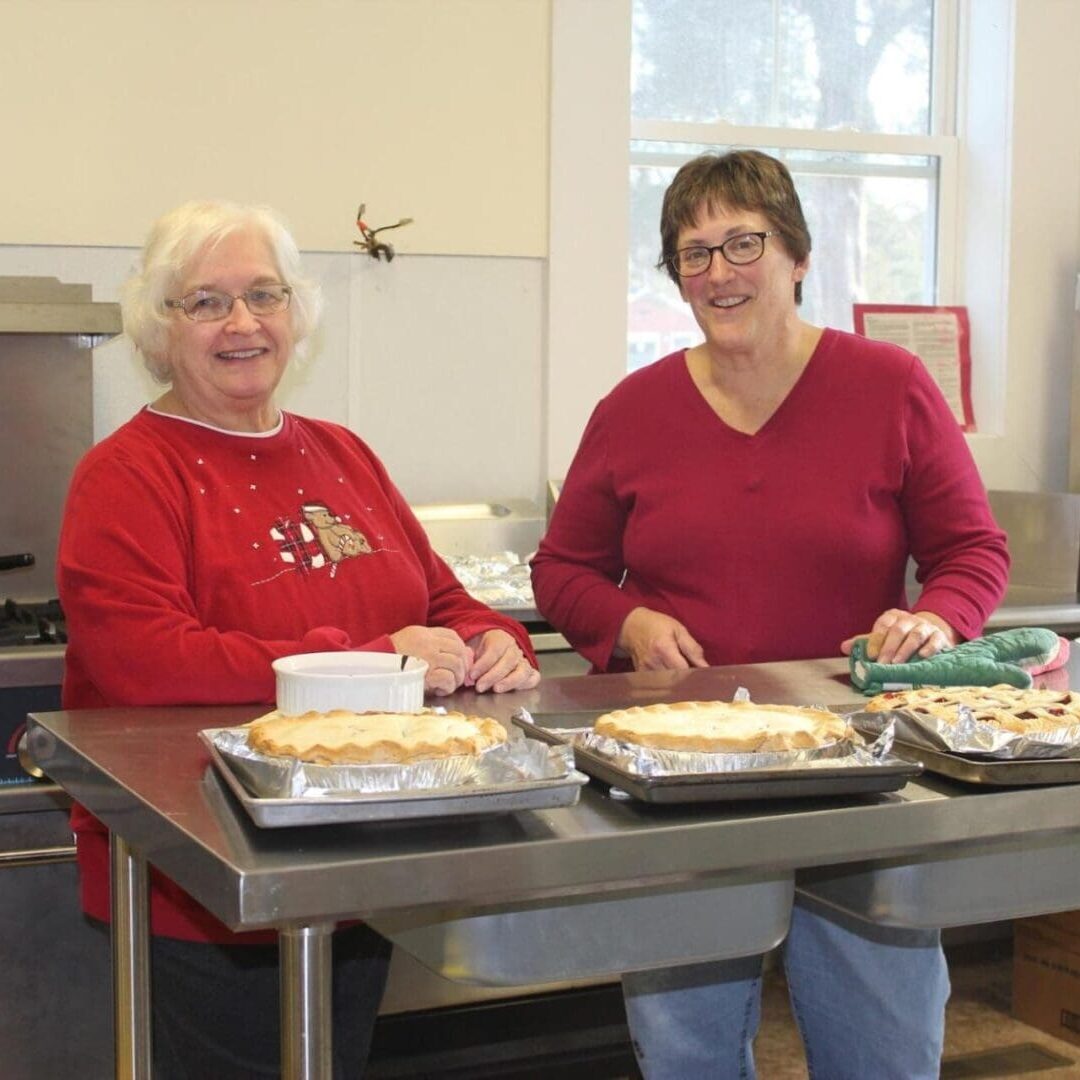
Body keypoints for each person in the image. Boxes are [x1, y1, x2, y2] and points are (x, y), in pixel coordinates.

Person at [530, 150, 1008, 1079]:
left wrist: (938, 619)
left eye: (742, 242)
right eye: (693, 254)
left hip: (858, 761)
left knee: (884, 1038)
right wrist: (624, 623)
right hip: (681, 769)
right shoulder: (633, 410)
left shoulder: (890, 385)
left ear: (796, 253)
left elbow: (972, 551)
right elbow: (564, 570)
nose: (719, 273)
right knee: (686, 1044)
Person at [57, 199, 540, 1079]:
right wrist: (371, 664)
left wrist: (493, 639)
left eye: (263, 295)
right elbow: (151, 665)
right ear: (159, 329)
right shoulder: (125, 476)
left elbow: (442, 598)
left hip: (359, 864)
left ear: (296, 314)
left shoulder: (341, 454)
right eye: (205, 302)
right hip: (203, 879)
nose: (241, 323)